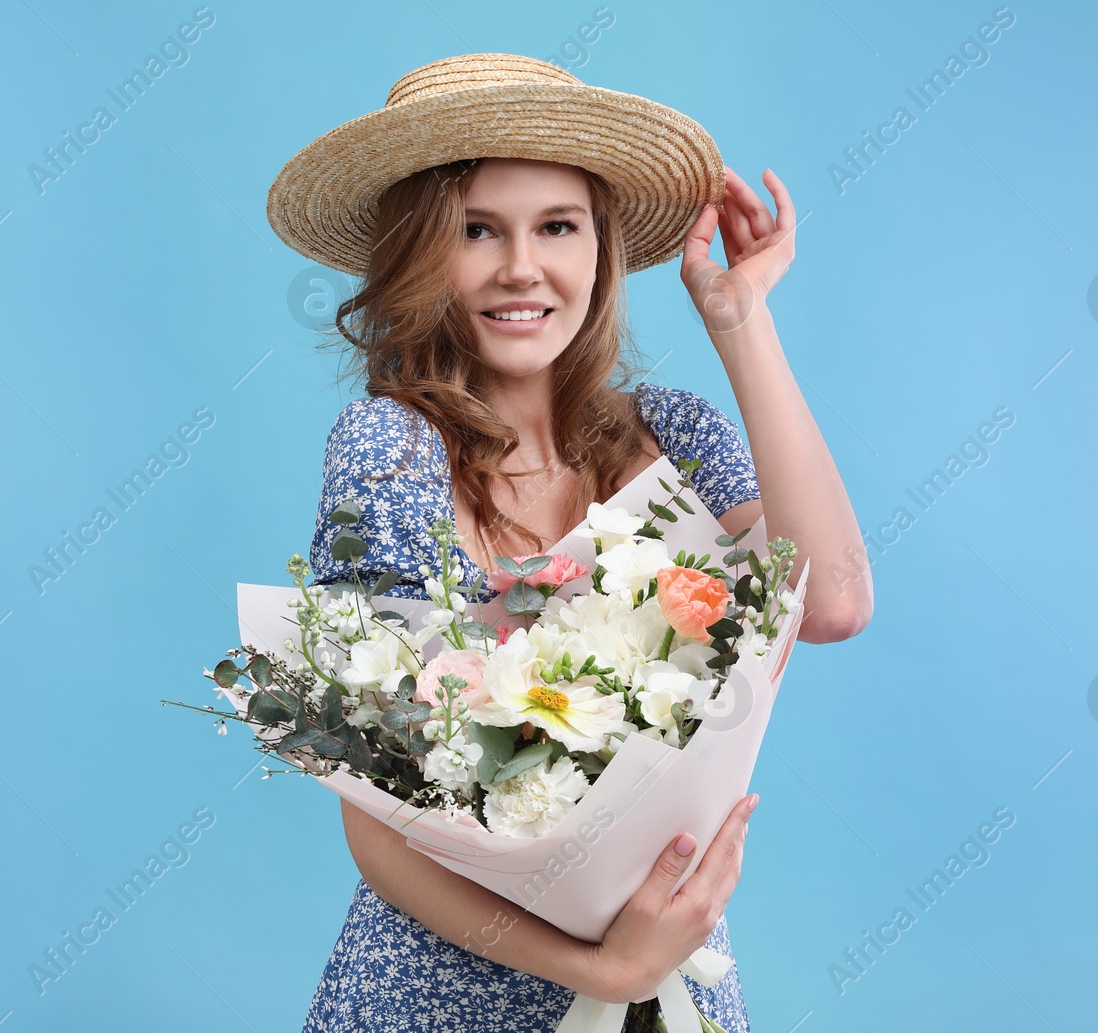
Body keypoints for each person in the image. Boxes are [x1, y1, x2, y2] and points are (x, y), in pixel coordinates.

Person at [266, 53, 873, 1033]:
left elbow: (832, 599)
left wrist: (739, 320)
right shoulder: (389, 450)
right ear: (418, 256)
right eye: (475, 230)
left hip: (677, 983)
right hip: (442, 996)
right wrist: (606, 962)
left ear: (598, 247)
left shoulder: (670, 431)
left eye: (557, 226)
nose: (522, 266)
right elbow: (378, 819)